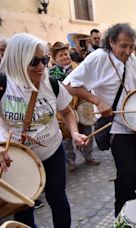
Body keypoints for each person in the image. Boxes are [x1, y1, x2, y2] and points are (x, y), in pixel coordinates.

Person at [0, 33, 88, 227]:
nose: (41, 67)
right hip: (18, 158)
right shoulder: (3, 85)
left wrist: (74, 133)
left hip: (52, 151)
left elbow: (67, 112)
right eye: (34, 62)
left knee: (58, 199)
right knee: (24, 207)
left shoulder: (51, 83)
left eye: (44, 60)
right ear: (17, 60)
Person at [63, 23, 136, 216]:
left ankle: (128, 198)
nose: (128, 51)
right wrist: (97, 101)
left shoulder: (132, 59)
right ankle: (122, 214)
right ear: (111, 42)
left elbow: (135, 84)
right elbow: (69, 84)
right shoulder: (99, 58)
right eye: (123, 46)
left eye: (131, 46)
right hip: (116, 126)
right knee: (127, 171)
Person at [48, 42, 99, 171]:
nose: (65, 57)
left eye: (66, 54)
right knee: (66, 137)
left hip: (81, 105)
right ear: (55, 58)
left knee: (87, 131)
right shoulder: (51, 74)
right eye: (61, 55)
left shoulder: (78, 68)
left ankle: (88, 156)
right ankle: (70, 161)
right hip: (63, 108)